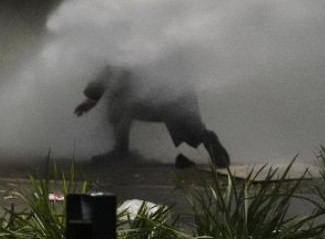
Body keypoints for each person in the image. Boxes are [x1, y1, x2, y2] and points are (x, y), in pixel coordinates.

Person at [74, 65, 230, 168]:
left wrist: (92, 98)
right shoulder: (176, 32)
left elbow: (110, 68)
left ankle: (121, 152)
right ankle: (205, 137)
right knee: (185, 117)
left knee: (118, 100)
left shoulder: (128, 39)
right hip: (179, 98)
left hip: (152, 98)